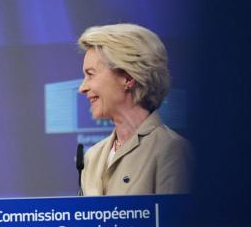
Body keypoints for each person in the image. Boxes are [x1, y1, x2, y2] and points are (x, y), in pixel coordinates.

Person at [77, 23, 189, 195]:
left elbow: (175, 221)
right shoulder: (92, 157)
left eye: (90, 74)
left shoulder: (171, 151)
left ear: (128, 78)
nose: (82, 88)